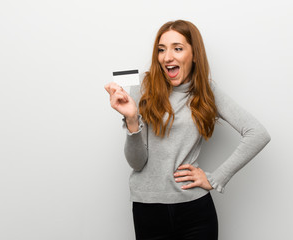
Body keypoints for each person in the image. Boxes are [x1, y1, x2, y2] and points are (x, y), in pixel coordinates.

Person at [104, 20, 271, 240]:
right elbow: (136, 163)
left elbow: (257, 133)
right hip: (148, 210)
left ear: (194, 55)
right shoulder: (141, 88)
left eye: (178, 48)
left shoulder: (207, 91)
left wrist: (216, 178)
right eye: (161, 50)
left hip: (195, 211)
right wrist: (132, 119)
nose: (167, 57)